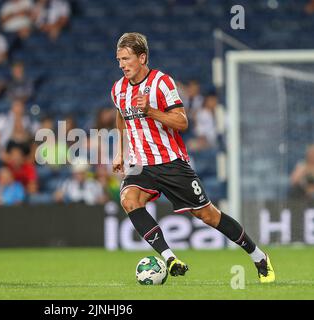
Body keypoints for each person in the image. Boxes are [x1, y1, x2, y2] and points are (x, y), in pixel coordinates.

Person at [111, 32, 274, 283]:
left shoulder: (162, 83)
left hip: (171, 163)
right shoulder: (118, 89)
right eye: (119, 59)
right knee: (129, 200)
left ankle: (258, 256)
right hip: (141, 164)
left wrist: (150, 111)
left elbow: (182, 122)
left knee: (208, 216)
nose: (122, 64)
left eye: (126, 58)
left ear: (142, 57)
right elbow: (121, 116)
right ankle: (169, 258)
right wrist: (121, 151)